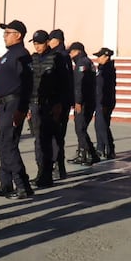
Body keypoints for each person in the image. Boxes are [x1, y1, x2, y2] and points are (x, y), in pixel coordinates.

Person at [0, 20, 34, 200]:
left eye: (8, 32)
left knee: (9, 144)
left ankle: (23, 185)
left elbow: (27, 84)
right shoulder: (10, 54)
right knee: (3, 144)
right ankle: (6, 183)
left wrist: (21, 109)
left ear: (18, 35)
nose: (4, 35)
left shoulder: (21, 55)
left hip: (13, 104)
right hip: (4, 104)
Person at [29, 29, 69, 188]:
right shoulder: (33, 59)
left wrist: (59, 104)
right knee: (38, 141)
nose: (37, 47)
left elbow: (64, 83)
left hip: (50, 105)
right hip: (35, 104)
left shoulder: (57, 59)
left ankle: (48, 173)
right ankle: (41, 172)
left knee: (48, 141)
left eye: (39, 43)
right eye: (35, 44)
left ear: (47, 42)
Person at [67, 42, 99, 166]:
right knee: (81, 128)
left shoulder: (82, 63)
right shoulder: (86, 62)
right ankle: (89, 153)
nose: (70, 54)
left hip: (84, 101)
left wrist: (78, 101)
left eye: (71, 51)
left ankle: (87, 154)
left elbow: (80, 84)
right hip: (89, 100)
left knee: (80, 128)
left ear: (77, 51)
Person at [48, 29, 73, 179]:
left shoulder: (58, 57)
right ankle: (59, 167)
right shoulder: (65, 56)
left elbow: (61, 82)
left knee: (55, 136)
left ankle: (57, 166)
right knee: (58, 136)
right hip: (63, 101)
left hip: (58, 103)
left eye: (51, 40)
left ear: (57, 41)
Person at [93, 47, 117, 160]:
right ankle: (100, 148)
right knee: (99, 125)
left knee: (103, 126)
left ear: (106, 57)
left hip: (104, 102)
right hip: (99, 100)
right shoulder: (102, 68)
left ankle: (109, 149)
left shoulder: (108, 70)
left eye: (100, 56)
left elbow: (107, 89)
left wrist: (104, 104)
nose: (97, 58)